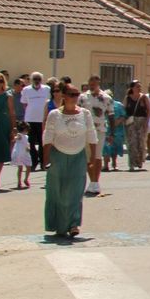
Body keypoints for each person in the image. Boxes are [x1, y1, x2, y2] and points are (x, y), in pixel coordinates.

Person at [41, 83, 93, 238]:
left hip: (78, 155)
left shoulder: (85, 114)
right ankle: (59, 225)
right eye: (71, 94)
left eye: (77, 94)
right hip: (58, 155)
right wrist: (46, 158)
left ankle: (74, 224)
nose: (75, 97)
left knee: (75, 191)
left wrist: (95, 157)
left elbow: (91, 134)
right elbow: (48, 137)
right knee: (59, 193)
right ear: (63, 96)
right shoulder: (54, 114)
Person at [80, 75, 112, 196]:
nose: (92, 85)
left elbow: (111, 115)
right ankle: (91, 181)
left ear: (99, 83)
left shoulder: (106, 98)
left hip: (100, 130)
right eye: (90, 82)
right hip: (85, 130)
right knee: (88, 156)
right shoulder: (82, 97)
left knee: (97, 155)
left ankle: (95, 182)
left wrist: (112, 133)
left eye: (95, 82)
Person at [19, 71, 51, 171]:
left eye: (39, 79)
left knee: (42, 142)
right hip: (30, 120)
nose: (37, 81)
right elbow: (24, 104)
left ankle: (42, 162)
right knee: (31, 142)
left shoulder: (47, 89)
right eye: (35, 79)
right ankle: (33, 162)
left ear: (41, 80)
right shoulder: (26, 90)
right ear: (31, 80)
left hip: (43, 120)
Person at [124, 81, 150, 172]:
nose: (139, 88)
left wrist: (147, 123)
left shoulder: (144, 97)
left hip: (142, 122)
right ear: (132, 88)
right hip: (131, 122)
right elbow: (124, 110)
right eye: (137, 86)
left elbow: (149, 111)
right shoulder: (128, 98)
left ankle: (139, 161)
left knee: (141, 142)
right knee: (132, 142)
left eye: (140, 86)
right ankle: (131, 164)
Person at [105, 95, 127, 170]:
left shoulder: (118, 105)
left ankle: (114, 162)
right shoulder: (101, 104)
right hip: (105, 128)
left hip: (117, 130)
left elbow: (123, 115)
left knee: (115, 146)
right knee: (106, 146)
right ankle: (105, 165)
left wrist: (117, 122)